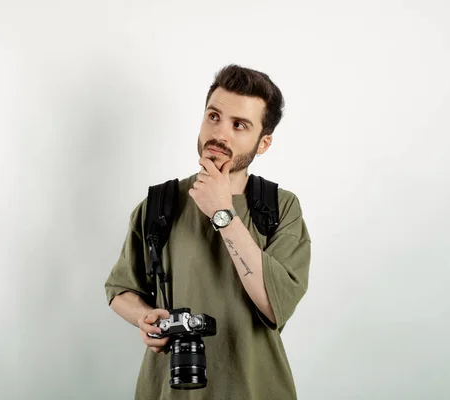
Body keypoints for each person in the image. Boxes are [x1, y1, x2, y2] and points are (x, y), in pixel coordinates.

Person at [105, 64, 311, 399]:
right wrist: (145, 317)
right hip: (170, 390)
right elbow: (120, 289)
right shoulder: (160, 203)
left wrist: (222, 212)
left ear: (263, 143)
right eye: (213, 116)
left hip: (256, 389)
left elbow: (275, 306)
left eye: (239, 125)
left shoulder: (281, 207)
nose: (220, 133)